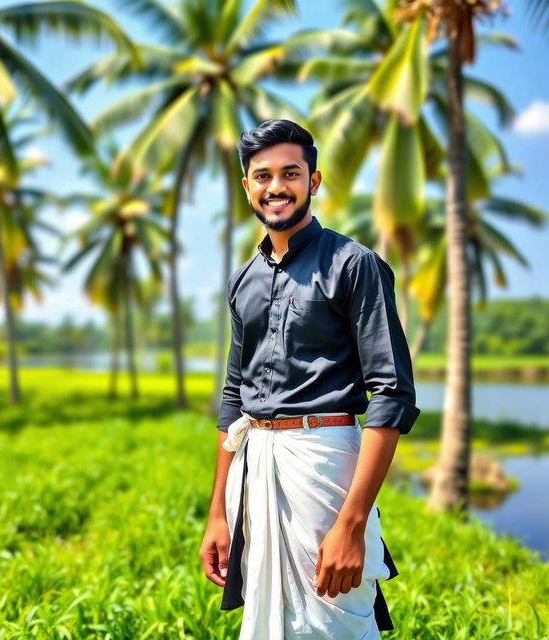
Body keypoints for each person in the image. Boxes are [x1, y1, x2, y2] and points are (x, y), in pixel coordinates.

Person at [199, 119, 420, 640]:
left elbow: (391, 392)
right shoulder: (243, 280)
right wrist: (217, 515)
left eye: (290, 173)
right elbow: (234, 399)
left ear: (313, 182)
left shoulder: (354, 265)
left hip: (325, 469)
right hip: (254, 474)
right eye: (262, 175)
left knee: (335, 621)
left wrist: (353, 522)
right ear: (247, 186)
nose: (276, 186)